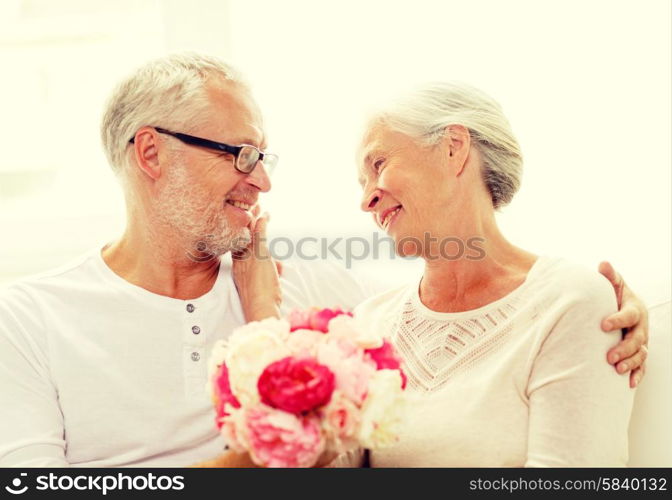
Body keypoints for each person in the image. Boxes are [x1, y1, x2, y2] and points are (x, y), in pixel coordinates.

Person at [0, 54, 647, 468]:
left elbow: (475, 294)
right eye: (240, 154)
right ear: (151, 154)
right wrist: (263, 347)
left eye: (264, 158)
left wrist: (613, 302)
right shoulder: (29, 319)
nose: (262, 182)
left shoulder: (324, 294)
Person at [239, 82, 649, 467]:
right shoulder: (369, 324)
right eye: (362, 183)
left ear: (454, 147)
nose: (366, 199)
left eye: (378, 164)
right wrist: (265, 310)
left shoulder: (571, 300)